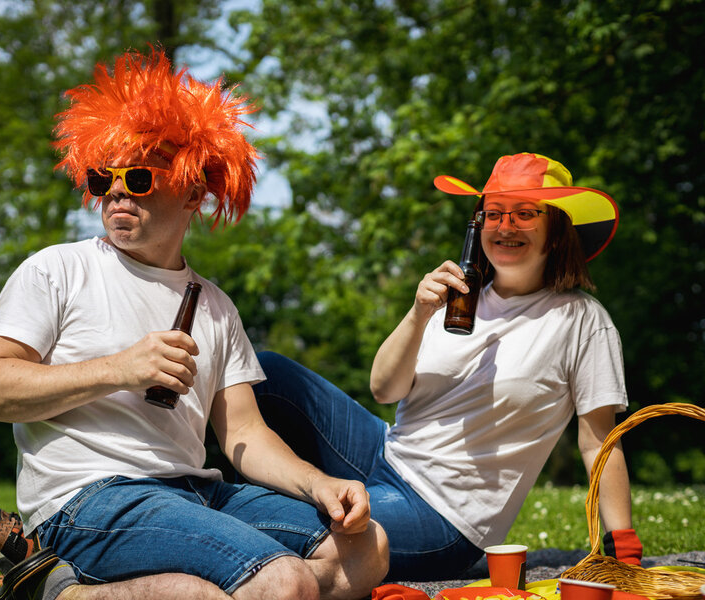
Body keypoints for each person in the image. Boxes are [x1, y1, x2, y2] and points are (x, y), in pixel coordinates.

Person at [0, 47, 388, 600]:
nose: (116, 190)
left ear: (192, 192)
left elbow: (244, 434)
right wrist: (119, 369)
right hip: (91, 498)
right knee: (282, 580)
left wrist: (319, 482)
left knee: (367, 546)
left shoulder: (214, 305)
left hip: (195, 493)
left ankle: (73, 589)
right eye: (103, 178)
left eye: (138, 176)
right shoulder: (57, 270)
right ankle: (64, 595)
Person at [252, 152, 643, 581]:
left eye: (525, 213)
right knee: (264, 374)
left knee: (281, 523)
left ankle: (233, 509)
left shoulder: (581, 319)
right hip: (385, 452)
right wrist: (419, 313)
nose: (506, 226)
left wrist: (622, 547)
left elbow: (598, 441)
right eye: (494, 213)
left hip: (442, 515)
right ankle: (226, 489)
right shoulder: (456, 294)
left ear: (556, 231)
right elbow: (384, 389)